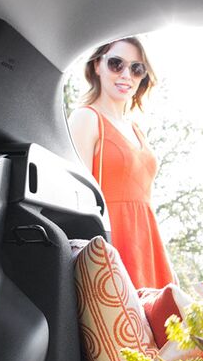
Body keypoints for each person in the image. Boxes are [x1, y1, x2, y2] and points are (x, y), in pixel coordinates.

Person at [69, 37, 175, 289]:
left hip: (148, 245)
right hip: (112, 239)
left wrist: (165, 261)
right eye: (116, 64)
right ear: (97, 65)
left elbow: (145, 203)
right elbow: (76, 197)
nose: (126, 75)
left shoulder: (137, 129)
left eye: (136, 68)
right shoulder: (86, 117)